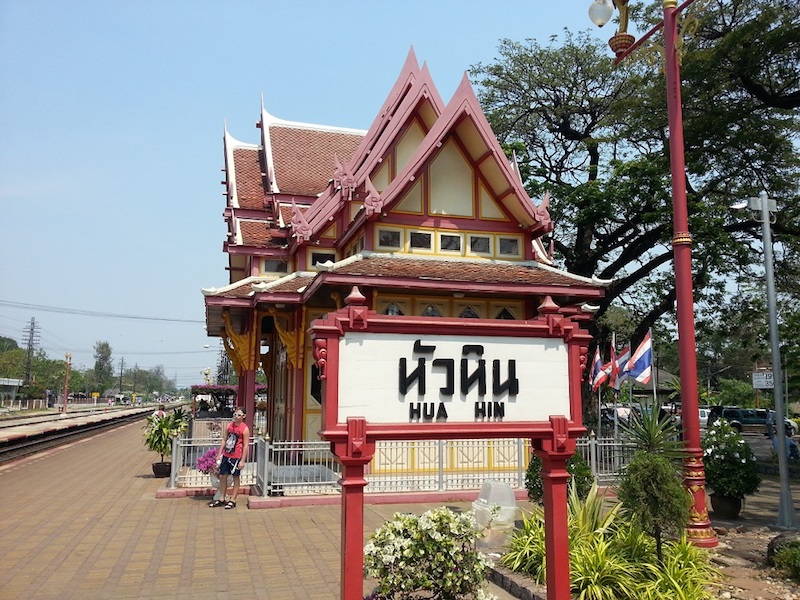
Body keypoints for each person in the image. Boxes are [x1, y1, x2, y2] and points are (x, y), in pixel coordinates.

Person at [209, 408, 250, 509]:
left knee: (236, 477)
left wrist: (243, 460)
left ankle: (233, 500)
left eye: (239, 415)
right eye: (235, 414)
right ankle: (222, 498)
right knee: (223, 476)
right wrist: (219, 453)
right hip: (227, 454)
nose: (236, 416)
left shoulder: (244, 429)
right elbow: (224, 439)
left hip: (236, 456)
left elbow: (245, 445)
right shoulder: (230, 425)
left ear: (243, 416)